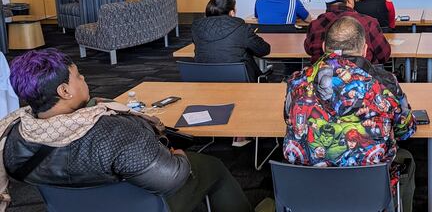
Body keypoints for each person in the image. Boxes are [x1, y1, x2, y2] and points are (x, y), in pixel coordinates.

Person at [0, 49, 251, 212]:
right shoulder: (115, 132)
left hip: (71, 205)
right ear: (64, 91)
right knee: (214, 166)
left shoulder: (10, 137)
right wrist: (179, 156)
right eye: (78, 76)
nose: (84, 78)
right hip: (147, 204)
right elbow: (171, 178)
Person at [284, 17, 417, 211]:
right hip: (368, 192)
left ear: (323, 47)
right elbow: (405, 129)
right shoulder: (384, 82)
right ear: (364, 49)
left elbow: (289, 118)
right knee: (407, 159)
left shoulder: (296, 82)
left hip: (308, 191)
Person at [304, 0, 391, 64]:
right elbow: (384, 55)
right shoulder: (369, 23)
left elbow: (308, 50)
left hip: (322, 76)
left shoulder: (315, 25)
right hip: (363, 76)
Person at [192, 0, 271, 81]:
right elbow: (263, 50)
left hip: (204, 80)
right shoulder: (241, 27)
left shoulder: (196, 27)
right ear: (232, 12)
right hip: (238, 81)